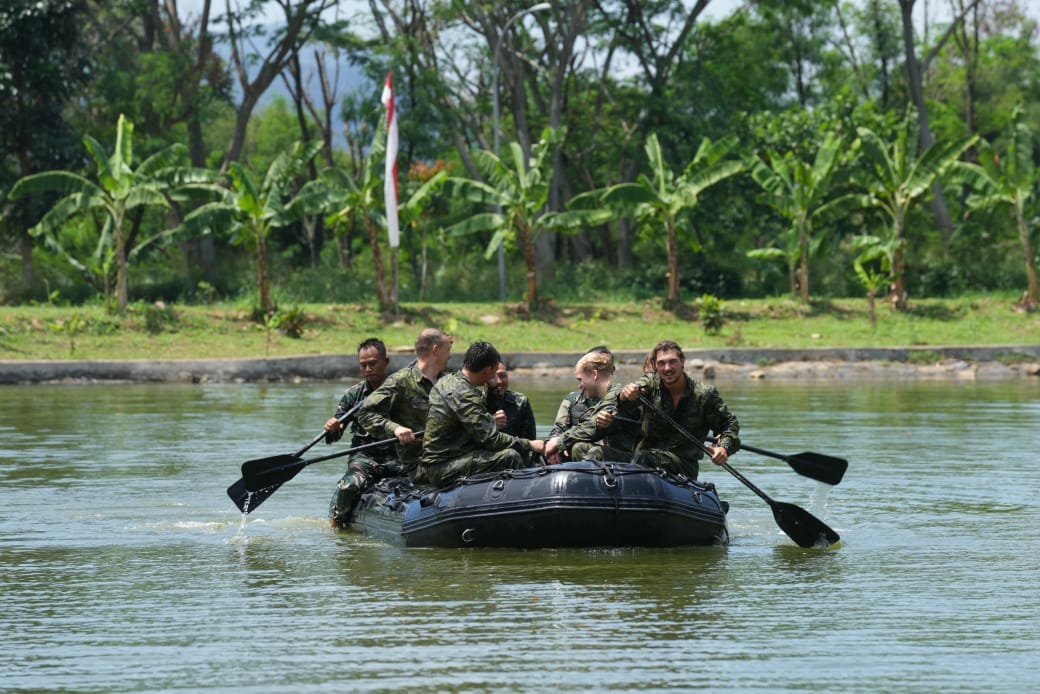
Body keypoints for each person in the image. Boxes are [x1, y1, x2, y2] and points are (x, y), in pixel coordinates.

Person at [415, 341, 546, 488]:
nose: (497, 380)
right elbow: (490, 439)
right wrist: (529, 444)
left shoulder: (449, 381)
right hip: (444, 467)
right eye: (495, 372)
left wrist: (491, 390)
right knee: (510, 456)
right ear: (488, 370)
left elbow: (484, 418)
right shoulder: (465, 395)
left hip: (449, 458)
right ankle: (528, 493)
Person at [617, 339, 740, 480]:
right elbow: (629, 396)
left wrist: (723, 448)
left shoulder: (704, 394)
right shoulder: (650, 386)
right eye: (661, 363)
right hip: (642, 459)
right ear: (655, 366)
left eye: (672, 362)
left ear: (682, 361)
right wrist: (625, 394)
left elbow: (728, 425)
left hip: (683, 465)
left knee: (643, 457)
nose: (667, 368)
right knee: (595, 453)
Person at [354, 328, 453, 482]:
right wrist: (395, 429)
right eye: (448, 349)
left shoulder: (450, 383)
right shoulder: (400, 381)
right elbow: (365, 413)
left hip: (451, 456)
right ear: (436, 350)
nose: (451, 355)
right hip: (420, 464)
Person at [325, 338, 395, 528]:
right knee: (350, 486)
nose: (368, 369)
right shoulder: (353, 395)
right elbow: (334, 435)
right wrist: (332, 428)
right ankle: (336, 523)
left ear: (385, 362)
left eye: (372, 364)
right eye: (363, 365)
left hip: (397, 457)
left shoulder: (401, 391)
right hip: (364, 458)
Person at [544, 351, 637, 463]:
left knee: (591, 451)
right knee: (579, 447)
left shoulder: (617, 395)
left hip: (634, 461)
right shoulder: (606, 396)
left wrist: (559, 441)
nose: (580, 386)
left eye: (580, 380)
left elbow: (591, 425)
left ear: (594, 374)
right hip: (619, 457)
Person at [547, 346, 613, 455]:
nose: (580, 385)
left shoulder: (619, 397)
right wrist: (557, 446)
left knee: (580, 448)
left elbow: (592, 427)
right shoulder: (572, 400)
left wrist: (561, 442)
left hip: (608, 457)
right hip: (575, 452)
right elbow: (558, 429)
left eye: (605, 365)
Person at [486, 360, 537, 462]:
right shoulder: (475, 403)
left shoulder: (520, 402)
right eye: (493, 376)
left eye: (503, 376)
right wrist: (491, 424)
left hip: (516, 461)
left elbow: (531, 441)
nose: (499, 381)